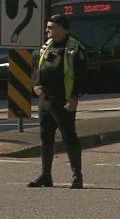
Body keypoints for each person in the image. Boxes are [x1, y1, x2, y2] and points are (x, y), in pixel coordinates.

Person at [28, 14, 88, 189]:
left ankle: (77, 176)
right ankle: (46, 175)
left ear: (62, 28)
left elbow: (81, 76)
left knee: (69, 136)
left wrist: (74, 97)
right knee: (45, 137)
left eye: (51, 27)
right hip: (45, 100)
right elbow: (36, 68)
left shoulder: (75, 48)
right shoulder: (46, 46)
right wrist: (35, 85)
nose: (47, 30)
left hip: (64, 100)